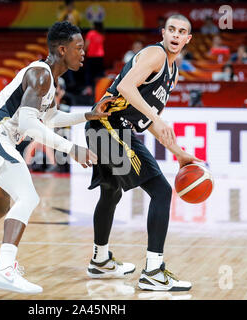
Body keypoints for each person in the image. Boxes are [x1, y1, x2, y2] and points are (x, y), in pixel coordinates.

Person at [0, 21, 109, 294]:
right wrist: (72, 148)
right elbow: (29, 126)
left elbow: (49, 118)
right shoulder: (40, 75)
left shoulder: (50, 80)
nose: (84, 53)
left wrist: (88, 114)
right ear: (62, 50)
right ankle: (4, 269)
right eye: (79, 48)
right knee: (28, 197)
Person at [84, 14, 202, 291]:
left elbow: (145, 120)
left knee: (110, 192)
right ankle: (153, 271)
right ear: (163, 33)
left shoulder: (172, 73)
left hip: (111, 128)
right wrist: (159, 119)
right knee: (161, 191)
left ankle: (100, 260)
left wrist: (179, 153)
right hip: (106, 124)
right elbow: (126, 87)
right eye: (171, 29)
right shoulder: (155, 54)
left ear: (188, 39)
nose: (175, 34)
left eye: (181, 31)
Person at [83, 21, 105, 98]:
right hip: (100, 56)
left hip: (91, 56)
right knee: (98, 74)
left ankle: (89, 89)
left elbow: (87, 45)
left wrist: (83, 51)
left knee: (89, 73)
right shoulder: (102, 34)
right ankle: (100, 90)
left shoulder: (91, 33)